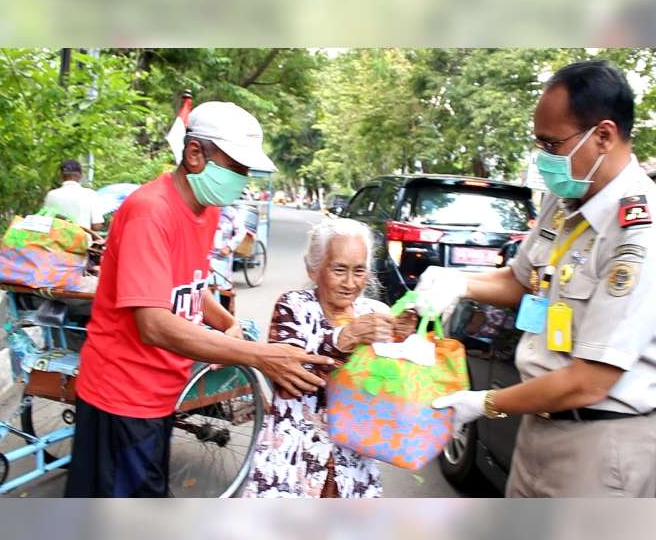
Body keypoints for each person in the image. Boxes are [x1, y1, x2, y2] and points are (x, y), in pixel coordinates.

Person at [418, 60, 656, 497]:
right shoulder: (567, 201)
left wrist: (484, 403)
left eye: (552, 143)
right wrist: (457, 283)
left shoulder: (644, 230)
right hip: (539, 424)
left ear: (603, 135)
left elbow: (590, 380)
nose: (543, 158)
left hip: (601, 443)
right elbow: (520, 280)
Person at [65, 101, 334, 498]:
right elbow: (153, 323)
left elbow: (191, 282)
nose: (242, 180)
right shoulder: (149, 213)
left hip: (161, 394)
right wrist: (259, 355)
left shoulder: (205, 211)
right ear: (195, 154)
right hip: (121, 396)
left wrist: (223, 320)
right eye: (236, 168)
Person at [243, 218, 416, 498]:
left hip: (354, 463)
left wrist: (405, 342)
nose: (350, 283)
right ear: (314, 268)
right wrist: (342, 340)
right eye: (339, 270)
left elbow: (391, 389)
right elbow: (290, 380)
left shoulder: (375, 311)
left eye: (359, 271)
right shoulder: (294, 306)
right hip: (294, 457)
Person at [43, 159, 105, 231]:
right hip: (82, 241)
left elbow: (45, 222)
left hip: (56, 241)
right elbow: (96, 226)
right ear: (81, 175)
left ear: (61, 175)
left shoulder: (51, 195)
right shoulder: (90, 195)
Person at [208, 204, 245, 310]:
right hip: (207, 257)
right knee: (206, 289)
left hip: (223, 257)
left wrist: (229, 247)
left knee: (224, 287)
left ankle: (226, 319)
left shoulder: (231, 212)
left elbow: (241, 232)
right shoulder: (206, 209)